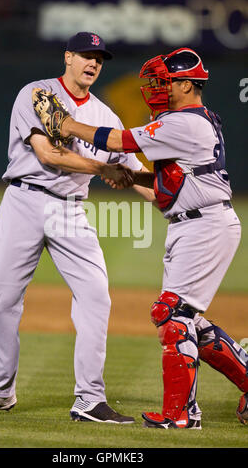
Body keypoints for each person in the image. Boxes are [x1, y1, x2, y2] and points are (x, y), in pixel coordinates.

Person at [0, 32, 155, 423]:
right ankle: (1, 392)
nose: (93, 63)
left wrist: (175, 199)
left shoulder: (105, 116)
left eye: (99, 57)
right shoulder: (36, 92)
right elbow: (49, 153)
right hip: (24, 201)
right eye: (85, 54)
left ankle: (89, 400)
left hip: (71, 211)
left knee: (96, 296)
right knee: (5, 301)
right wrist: (103, 169)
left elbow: (132, 172)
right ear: (68, 57)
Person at [46, 47, 248, 429]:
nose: (156, 88)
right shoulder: (189, 120)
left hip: (204, 225)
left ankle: (181, 415)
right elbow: (172, 181)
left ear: (187, 84)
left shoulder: (183, 122)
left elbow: (118, 141)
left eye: (164, 81)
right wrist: (128, 177)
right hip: (195, 222)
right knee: (187, 320)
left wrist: (67, 125)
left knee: (173, 317)